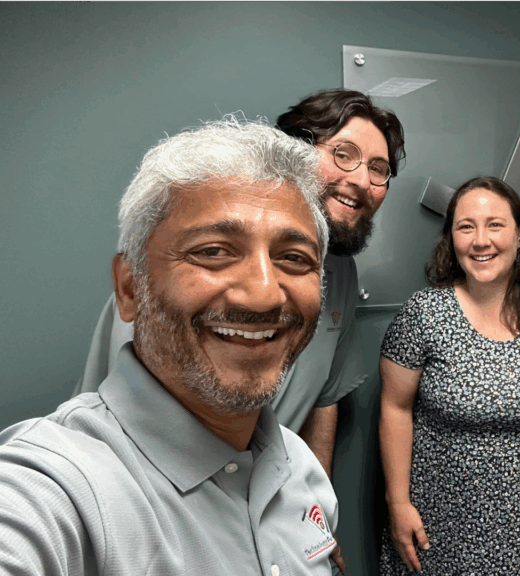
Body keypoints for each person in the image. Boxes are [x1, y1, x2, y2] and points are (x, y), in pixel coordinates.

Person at [0, 118, 346, 574]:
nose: (264, 294)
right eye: (213, 251)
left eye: (293, 259)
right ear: (129, 289)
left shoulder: (302, 474)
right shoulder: (53, 489)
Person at [73, 89, 406, 477]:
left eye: (379, 168)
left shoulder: (343, 274)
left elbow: (324, 399)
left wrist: (316, 516)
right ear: (291, 154)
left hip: (268, 501)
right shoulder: (172, 255)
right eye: (343, 154)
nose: (362, 180)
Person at [378, 176, 520, 575]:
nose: (481, 240)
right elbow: (394, 408)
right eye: (466, 226)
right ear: (452, 239)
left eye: (495, 224)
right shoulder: (422, 315)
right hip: (434, 527)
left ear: (519, 234)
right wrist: (397, 503)